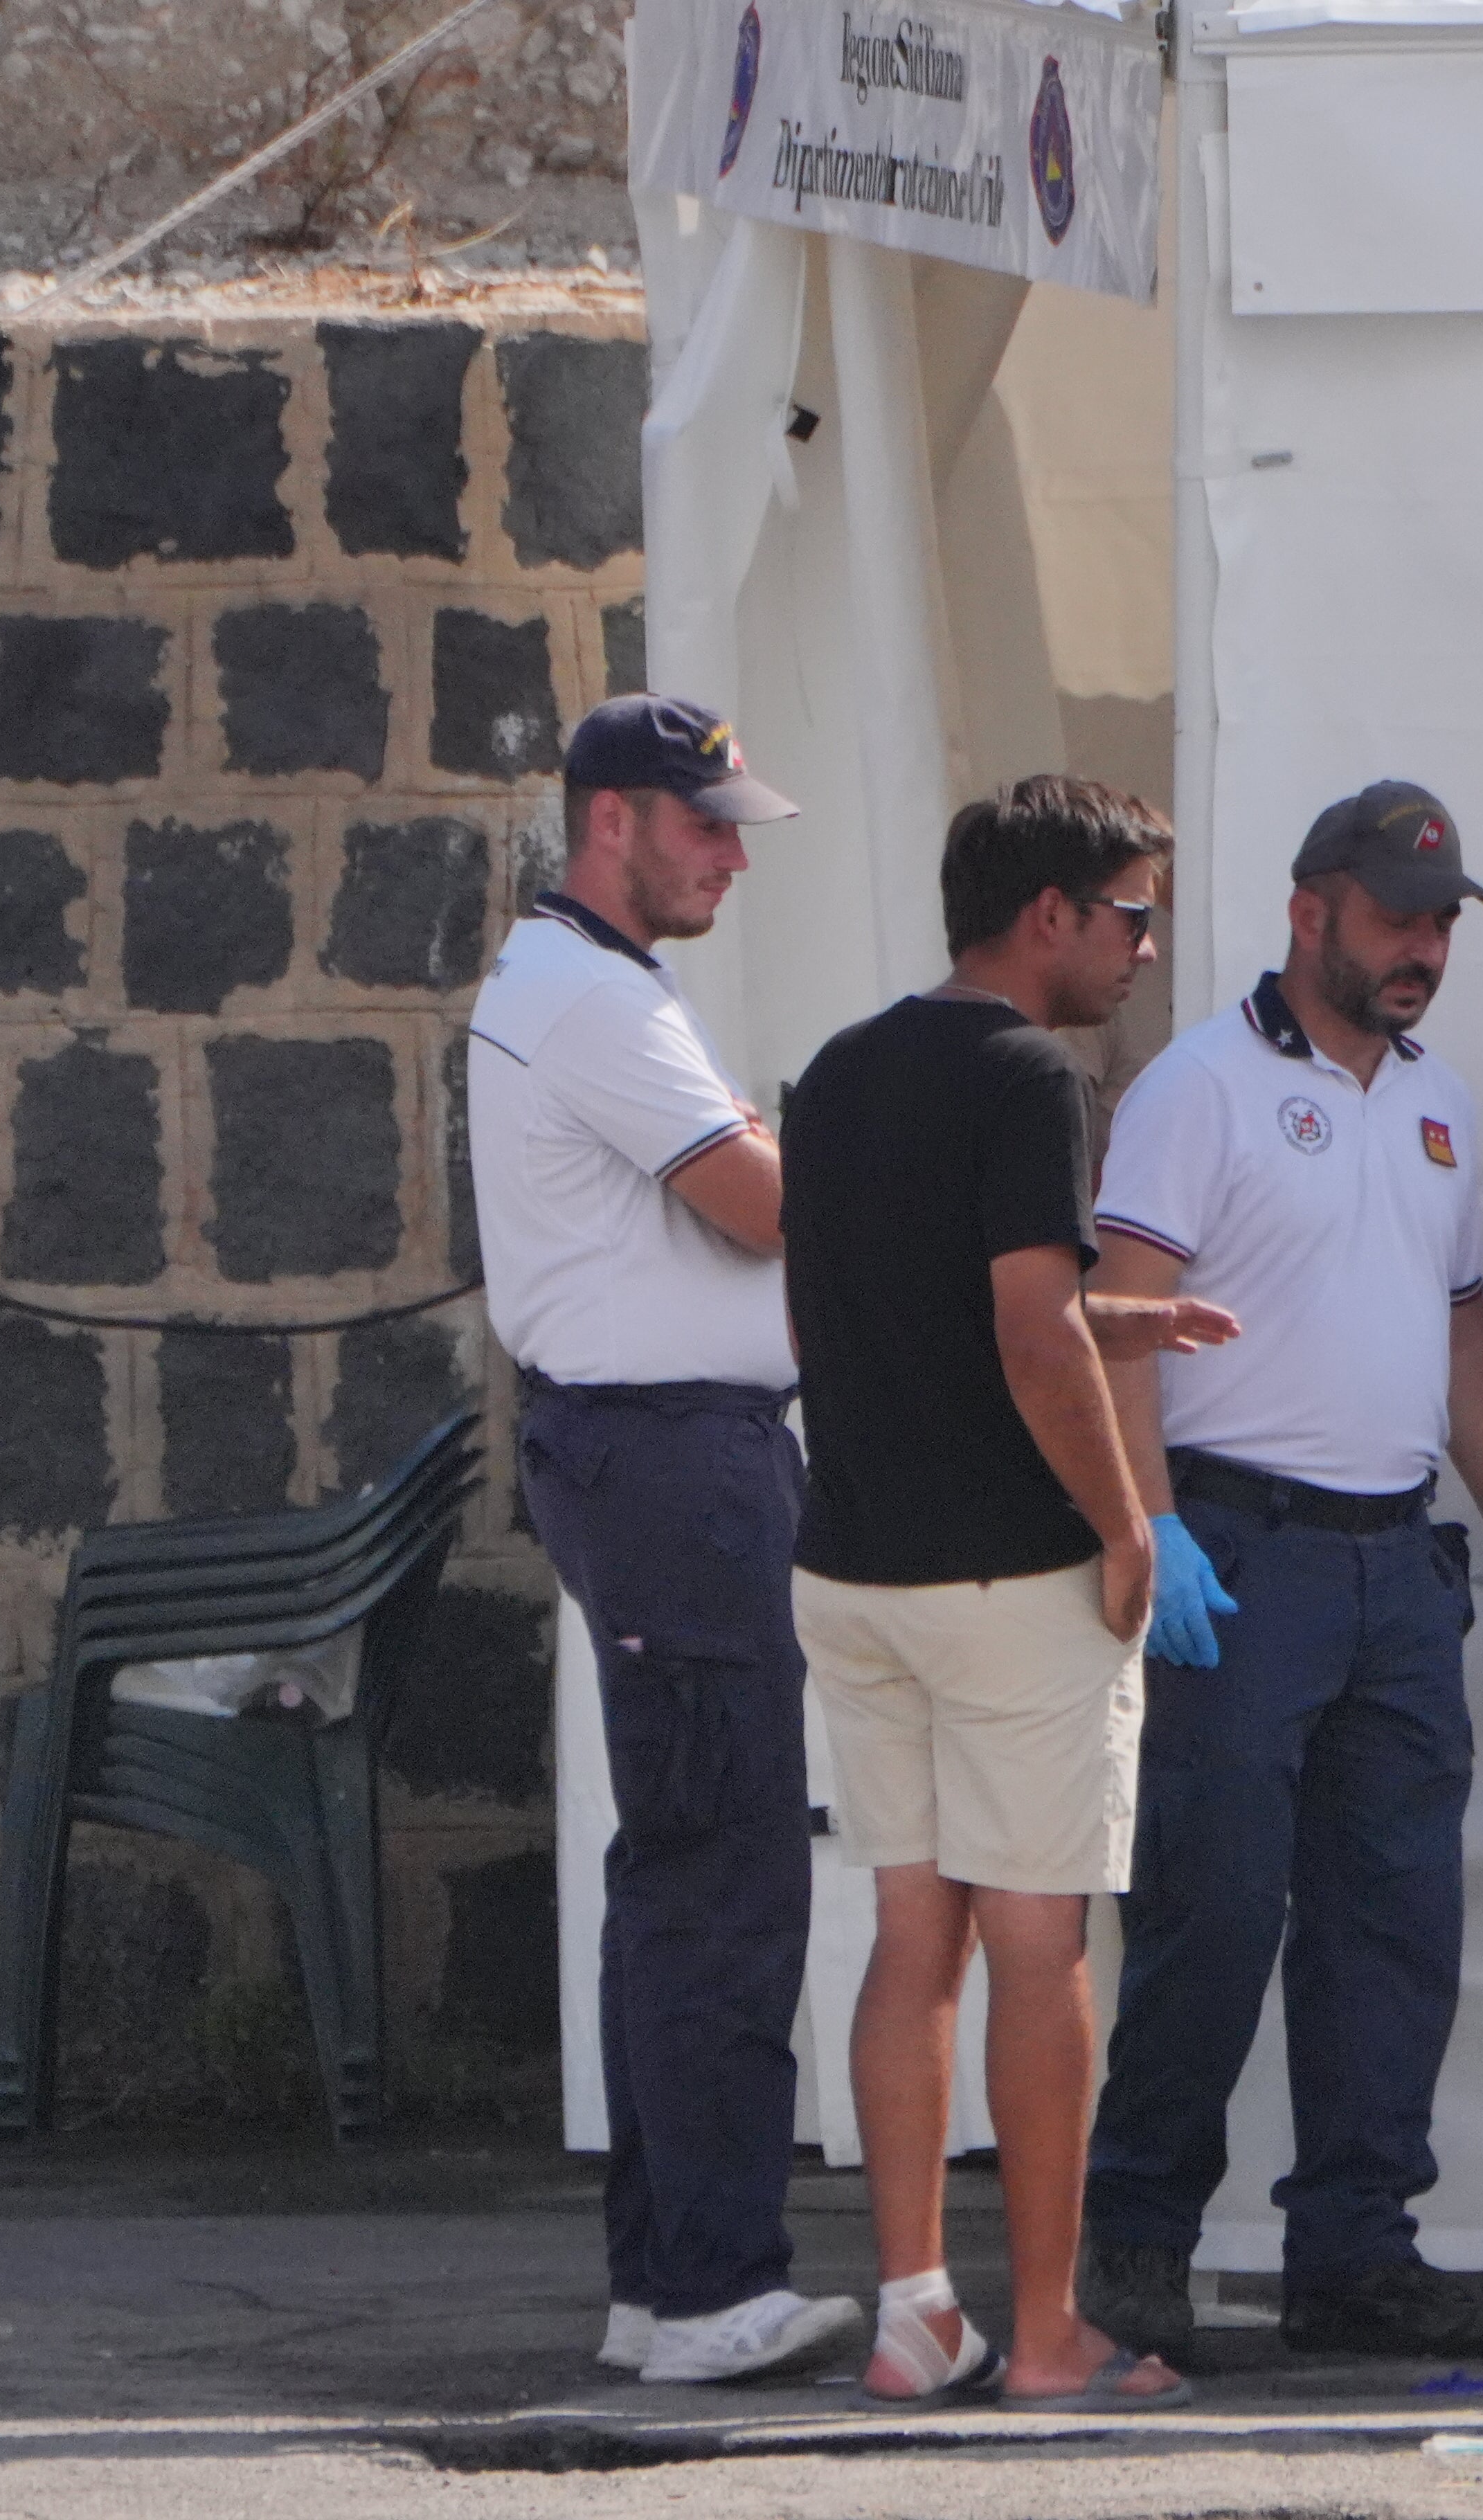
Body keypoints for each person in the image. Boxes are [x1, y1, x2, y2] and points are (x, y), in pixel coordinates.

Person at [1077, 780, 1483, 2363]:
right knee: (1211, 1919)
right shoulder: (1198, 1087)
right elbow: (1117, 1315)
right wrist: (1148, 1521)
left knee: (1393, 1926)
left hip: (1390, 1562)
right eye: (1398, 915)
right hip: (1246, 1546)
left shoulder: (1437, 1102)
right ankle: (1137, 2241)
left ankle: (1355, 2248)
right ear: (1311, 913)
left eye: (1440, 921)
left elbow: (1461, 1319)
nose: (1423, 946)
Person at [782, 776, 1232, 2413]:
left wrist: (1130, 1325)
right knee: (1040, 1948)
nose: (1141, 946)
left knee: (915, 1932)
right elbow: (1028, 1333)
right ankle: (1046, 2332)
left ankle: (918, 2306)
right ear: (1047, 915)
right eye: (1127, 914)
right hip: (1005, 1577)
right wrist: (1130, 1523)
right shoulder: (1034, 1073)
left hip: (852, 1570)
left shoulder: (840, 1069)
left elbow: (911, 1302)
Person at [469, 693, 861, 2386]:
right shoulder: (588, 993)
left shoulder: (595, 983)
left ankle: (665, 2278)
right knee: (724, 1869)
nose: (729, 854)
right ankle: (709, 2283)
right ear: (612, 817)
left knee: (680, 1872)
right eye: (706, 824)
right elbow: (769, 1201)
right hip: (667, 1453)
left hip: (664, 1449)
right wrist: (803, 1147)